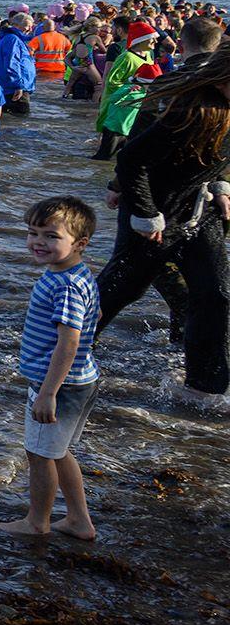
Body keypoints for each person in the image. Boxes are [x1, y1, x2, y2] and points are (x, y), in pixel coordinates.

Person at [98, 66, 230, 399]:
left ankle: (204, 387)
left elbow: (218, 156)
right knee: (122, 289)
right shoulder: (195, 109)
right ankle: (53, 351)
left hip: (201, 209)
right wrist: (145, 214)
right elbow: (131, 159)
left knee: (216, 293)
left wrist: (222, 185)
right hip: (155, 212)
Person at [0, 197, 101, 541]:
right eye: (32, 232)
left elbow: (68, 343)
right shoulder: (78, 273)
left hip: (59, 385)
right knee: (58, 451)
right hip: (82, 380)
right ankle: (78, 520)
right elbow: (94, 316)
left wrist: (48, 393)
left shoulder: (65, 285)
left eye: (51, 236)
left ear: (79, 243)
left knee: (39, 455)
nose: (38, 242)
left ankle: (36, 522)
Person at [92, 21, 159, 160]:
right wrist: (130, 88)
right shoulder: (126, 57)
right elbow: (112, 81)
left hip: (137, 106)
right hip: (120, 105)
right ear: (141, 39)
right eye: (152, 38)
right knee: (108, 148)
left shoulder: (149, 54)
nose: (156, 40)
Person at [0, 12, 36, 117]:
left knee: (13, 118)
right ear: (16, 25)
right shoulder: (12, 39)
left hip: (12, 86)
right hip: (14, 88)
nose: (30, 29)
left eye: (31, 26)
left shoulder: (13, 39)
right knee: (22, 118)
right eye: (27, 26)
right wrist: (18, 85)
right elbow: (11, 64)